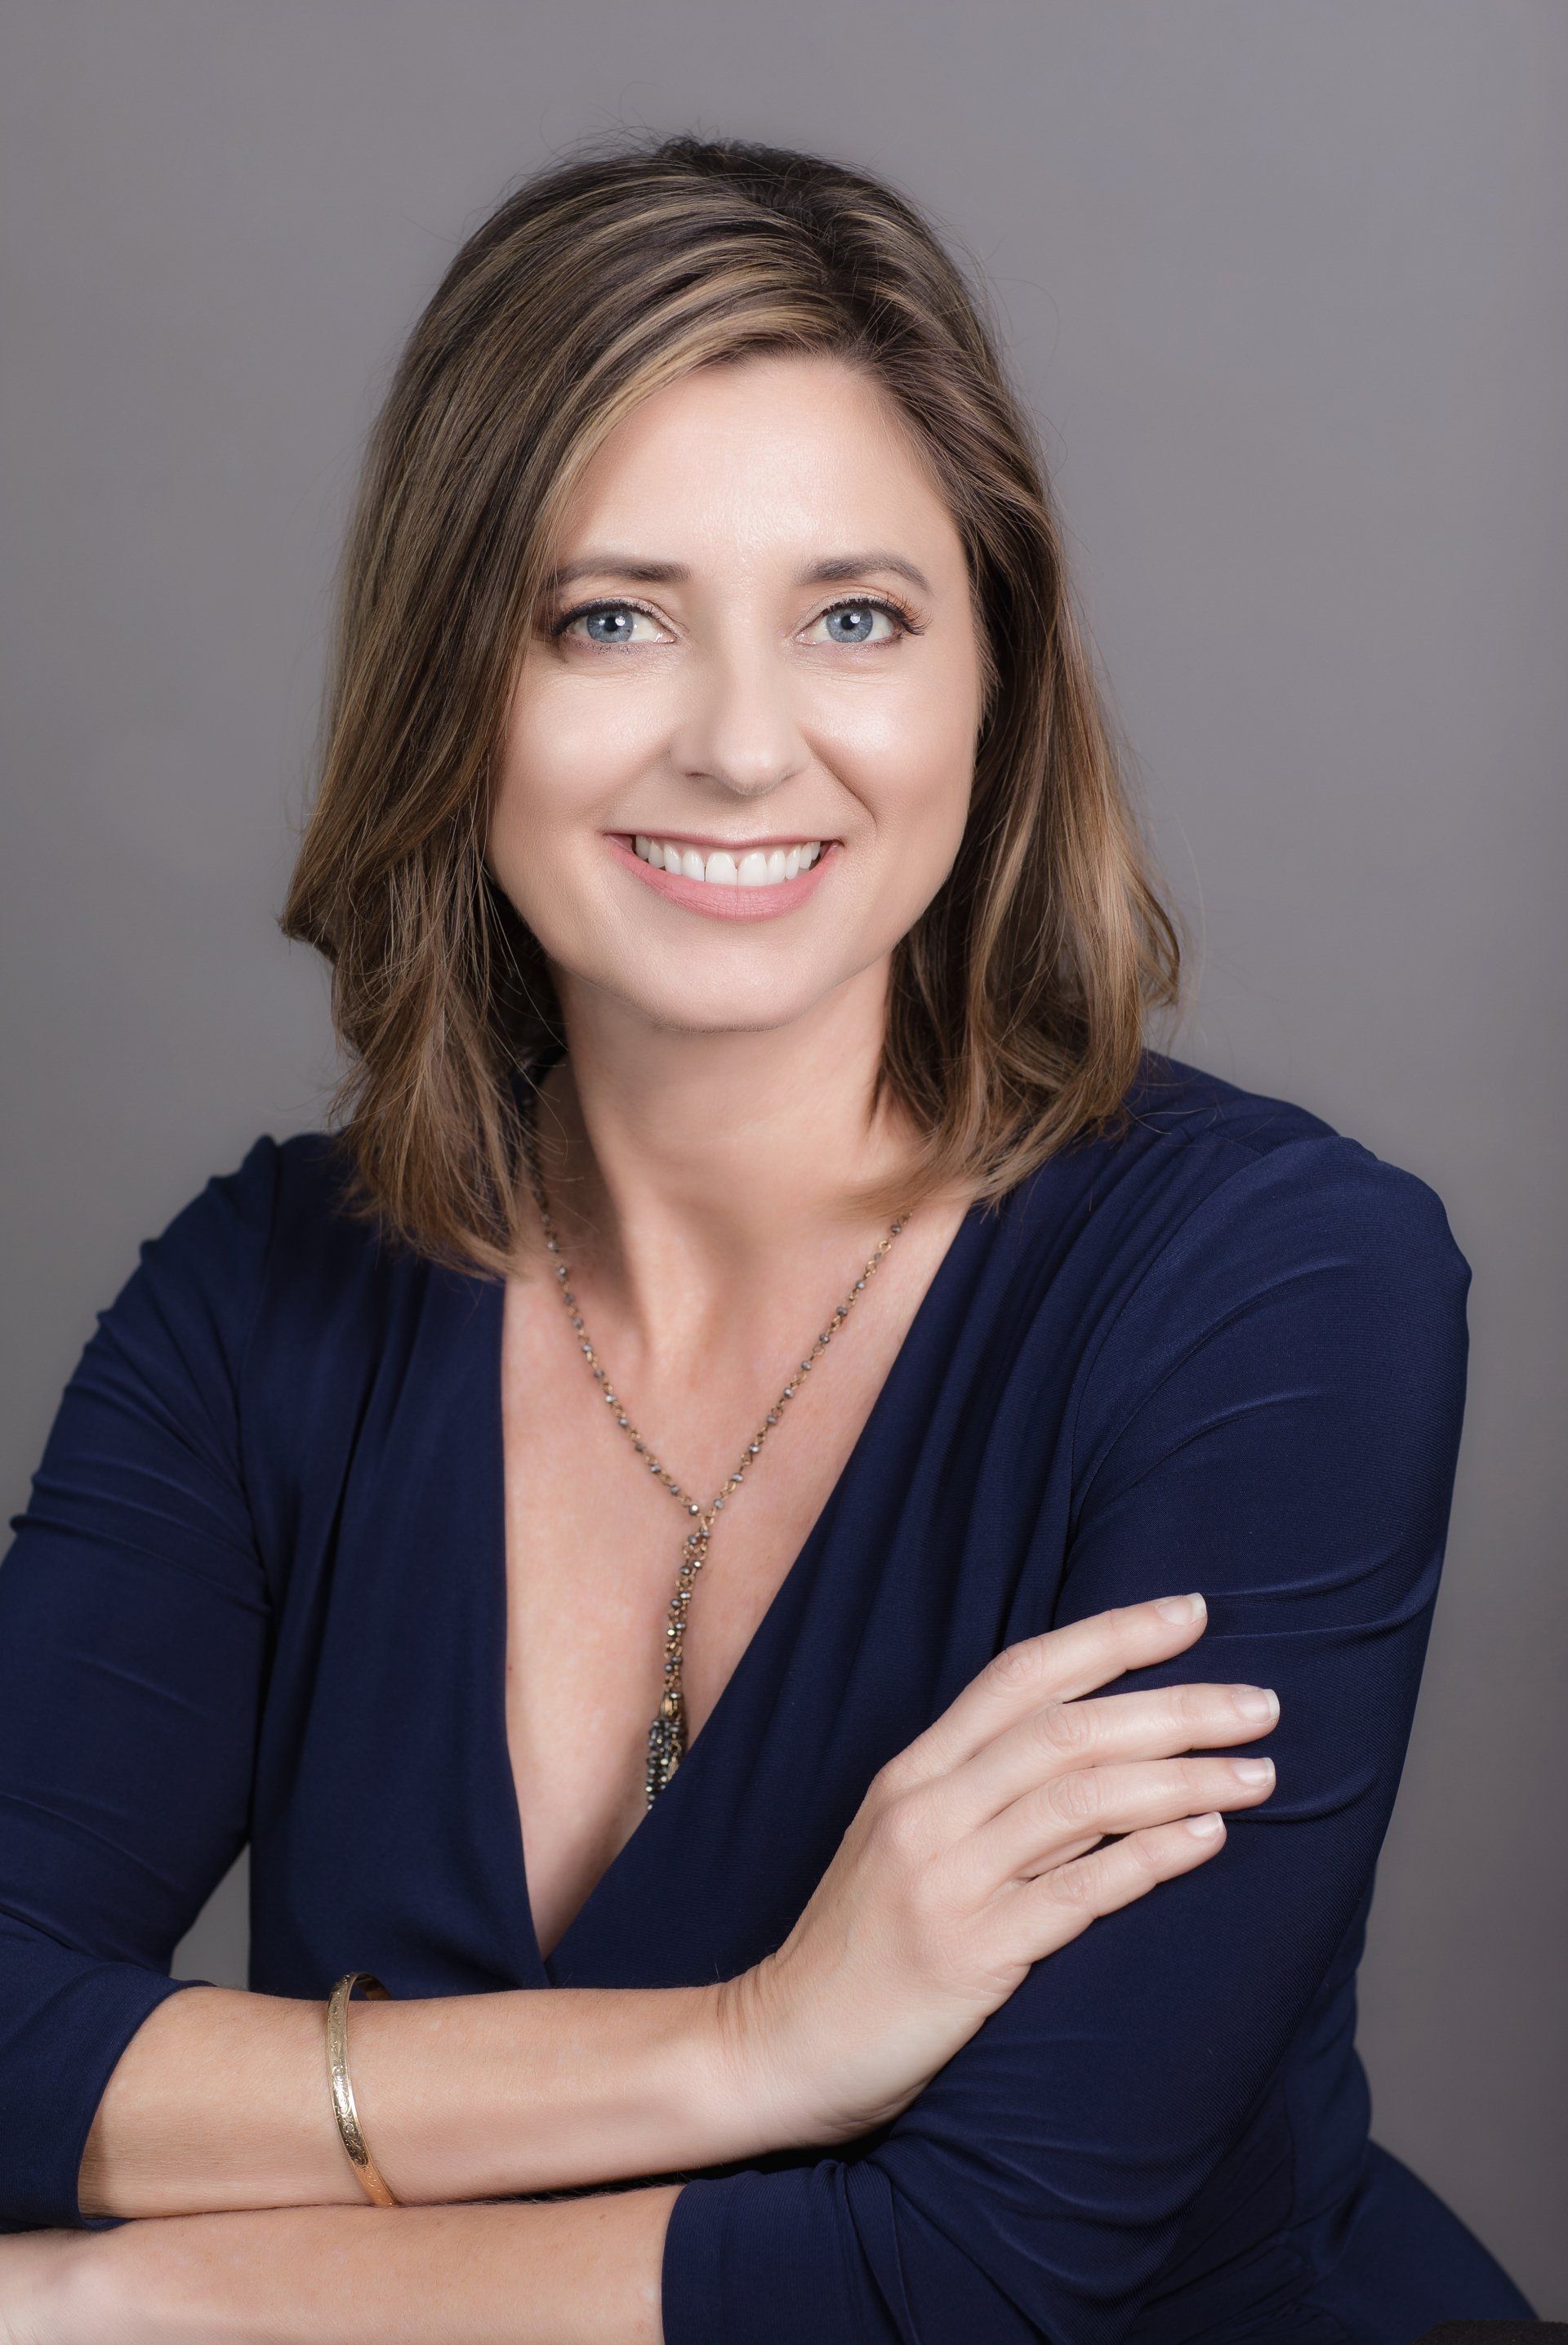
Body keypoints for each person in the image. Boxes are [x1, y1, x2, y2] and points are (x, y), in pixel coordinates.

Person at [0, 132, 1536, 2344]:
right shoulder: (260, 1305)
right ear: (456, 687)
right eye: (611, 617)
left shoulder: (1277, 1294)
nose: (741, 745)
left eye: (855, 617)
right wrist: (756, 2046)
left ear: (990, 688)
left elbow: (984, 2278)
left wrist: (122, 2305)